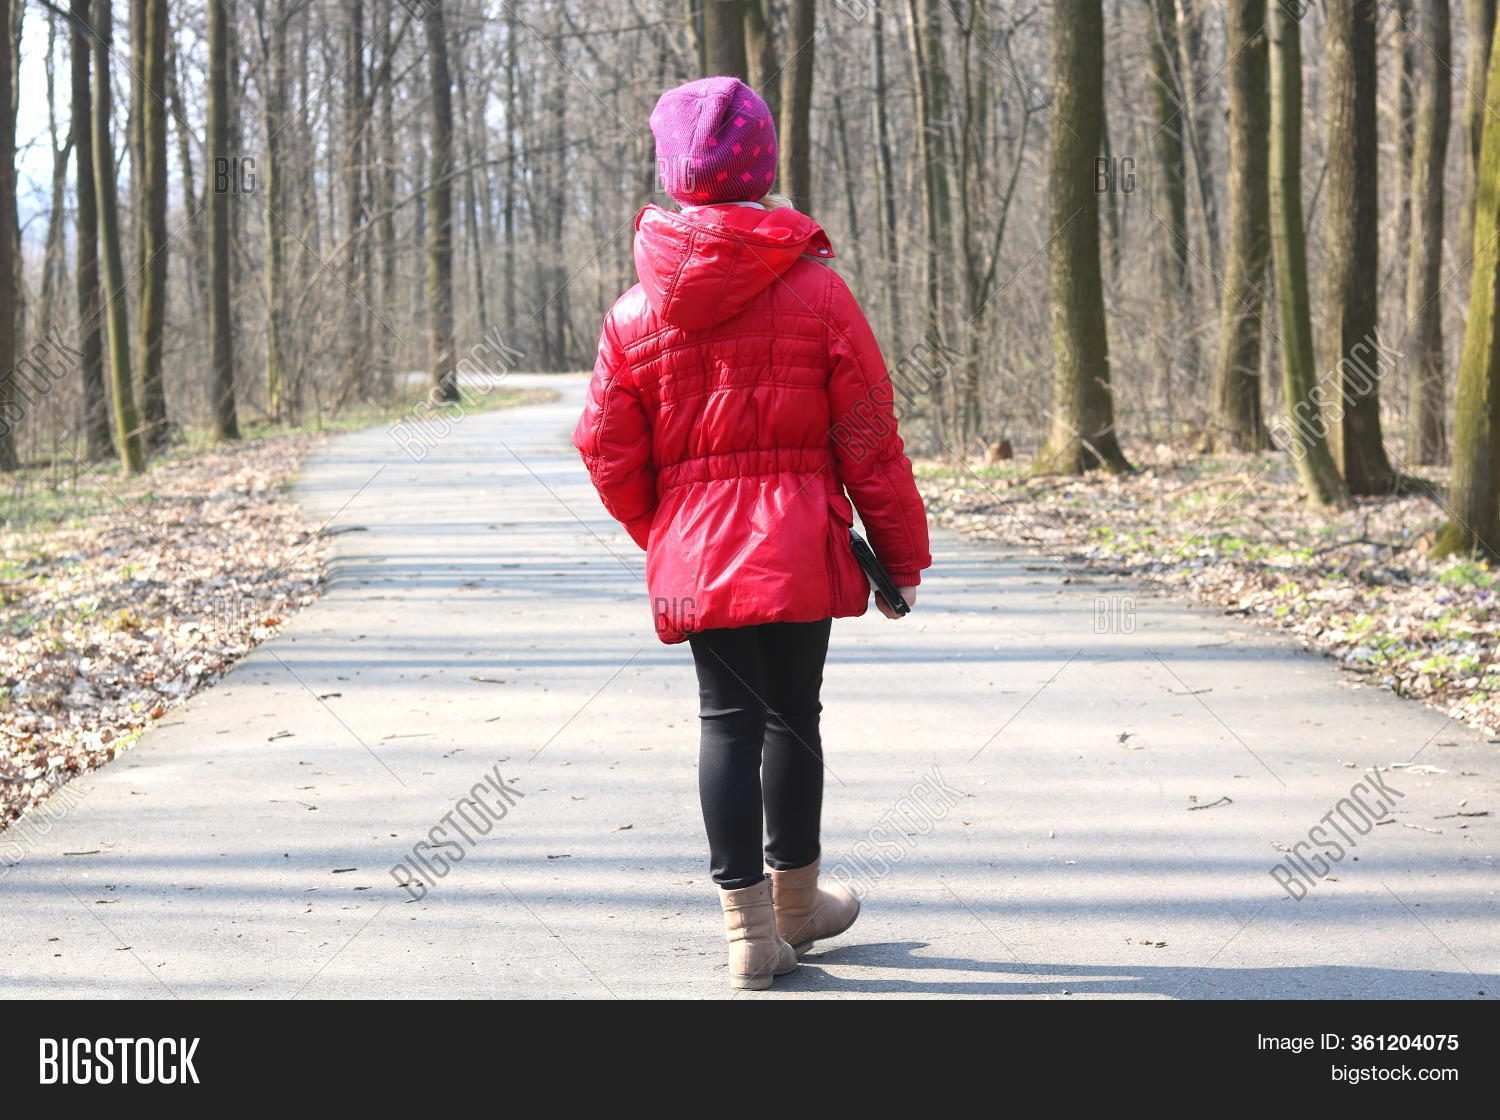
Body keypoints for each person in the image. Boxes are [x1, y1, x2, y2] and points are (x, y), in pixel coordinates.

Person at [573, 76, 931, 990]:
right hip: (797, 545)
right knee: (793, 715)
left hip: (700, 557)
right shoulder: (817, 293)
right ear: (761, 168)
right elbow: (867, 438)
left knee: (725, 722)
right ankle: (798, 903)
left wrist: (671, 531)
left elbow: (608, 451)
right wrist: (898, 553)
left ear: (674, 176)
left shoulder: (632, 314)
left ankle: (748, 934)